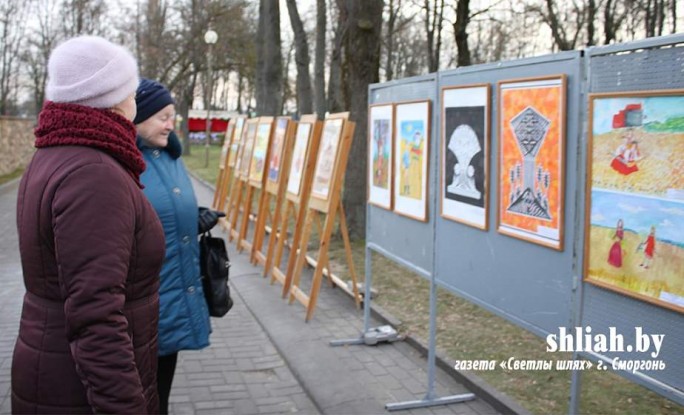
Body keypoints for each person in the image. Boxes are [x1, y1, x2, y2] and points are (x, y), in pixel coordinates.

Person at [12, 36, 165, 414]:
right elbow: (96, 315)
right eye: (131, 90)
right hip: (78, 389)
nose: (135, 100)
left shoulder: (55, 154)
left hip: (58, 369)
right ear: (113, 98)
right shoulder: (93, 173)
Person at [133, 78, 223, 414]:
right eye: (162, 117)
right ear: (137, 117)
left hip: (172, 299)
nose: (171, 124)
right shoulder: (121, 161)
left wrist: (196, 218)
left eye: (173, 116)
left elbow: (163, 209)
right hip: (141, 306)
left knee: (159, 397)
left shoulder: (171, 157)